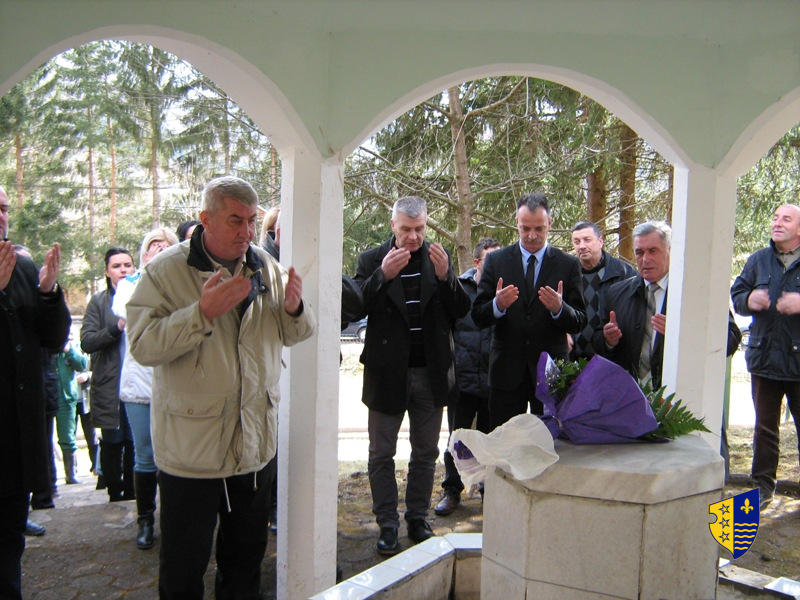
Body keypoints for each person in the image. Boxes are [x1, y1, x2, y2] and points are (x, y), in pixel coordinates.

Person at [126, 176, 316, 599]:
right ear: (206, 219)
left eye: (251, 221)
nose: (247, 231)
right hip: (192, 455)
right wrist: (201, 313)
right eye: (235, 221)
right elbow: (142, 345)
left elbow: (296, 334)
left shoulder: (266, 266)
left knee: (244, 567)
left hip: (253, 449)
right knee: (183, 572)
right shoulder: (165, 272)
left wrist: (294, 309)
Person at [355, 195, 470, 556]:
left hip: (430, 374)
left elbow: (461, 310)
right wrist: (382, 275)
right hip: (386, 373)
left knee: (425, 453)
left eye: (419, 228)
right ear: (393, 225)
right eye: (406, 229)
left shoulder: (438, 256)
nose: (414, 237)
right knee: (381, 453)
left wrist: (447, 277)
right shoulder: (372, 259)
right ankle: (387, 525)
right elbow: (354, 305)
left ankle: (417, 519)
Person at [0, 186, 70, 599]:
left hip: (14, 439)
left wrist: (47, 292)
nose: (1, 216)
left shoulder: (21, 267)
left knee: (9, 546)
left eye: (3, 208)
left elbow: (53, 339)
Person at [472, 193, 586, 429]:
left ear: (550, 224)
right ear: (516, 222)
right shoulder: (496, 261)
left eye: (539, 228)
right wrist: (497, 305)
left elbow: (580, 320)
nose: (532, 235)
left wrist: (559, 309)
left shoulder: (567, 264)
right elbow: (478, 316)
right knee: (504, 441)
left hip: (550, 375)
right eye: (525, 228)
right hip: (506, 373)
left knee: (550, 442)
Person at [112, 227, 179, 550]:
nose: (158, 250)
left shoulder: (182, 282)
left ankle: (173, 520)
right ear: (144, 252)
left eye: (165, 246)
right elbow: (129, 311)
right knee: (145, 455)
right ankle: (145, 519)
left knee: (174, 456)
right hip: (138, 384)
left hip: (174, 382)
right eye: (153, 246)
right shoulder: (129, 284)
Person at [731, 203, 800, 511]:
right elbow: (737, 295)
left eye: (786, 219)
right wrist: (749, 299)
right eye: (775, 218)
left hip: (798, 363)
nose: (777, 223)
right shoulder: (758, 260)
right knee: (765, 428)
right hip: (765, 361)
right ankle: (761, 487)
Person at [434, 238, 500, 516]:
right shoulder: (459, 288)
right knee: (456, 440)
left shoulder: (506, 290)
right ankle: (452, 489)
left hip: (495, 380)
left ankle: (489, 490)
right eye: (490, 260)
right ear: (476, 262)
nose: (496, 266)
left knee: (490, 440)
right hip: (463, 378)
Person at [80, 247, 136, 502]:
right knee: (113, 439)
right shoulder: (99, 302)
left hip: (138, 382)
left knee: (135, 441)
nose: (123, 270)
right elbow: (88, 341)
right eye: (117, 266)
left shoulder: (143, 296)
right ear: (106, 271)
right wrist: (117, 328)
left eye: (127, 265)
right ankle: (115, 492)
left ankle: (135, 494)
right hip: (109, 384)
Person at [592, 221, 671, 388]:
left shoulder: (689, 296)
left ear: (670, 251)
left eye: (653, 251)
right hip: (629, 395)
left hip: (677, 396)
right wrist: (608, 341)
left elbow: (725, 339)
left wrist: (679, 334)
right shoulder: (617, 293)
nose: (646, 259)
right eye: (639, 252)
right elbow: (599, 345)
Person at [569, 221, 636, 359]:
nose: (582, 246)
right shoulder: (566, 274)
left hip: (612, 359)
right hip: (571, 361)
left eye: (587, 240)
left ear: (600, 242)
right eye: (577, 242)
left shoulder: (624, 274)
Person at [54, 332, 89, 485]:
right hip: (46, 395)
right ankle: (49, 477)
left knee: (68, 437)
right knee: (44, 439)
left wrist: (69, 350)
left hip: (66, 397)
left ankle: (71, 474)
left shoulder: (70, 345)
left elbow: (82, 364)